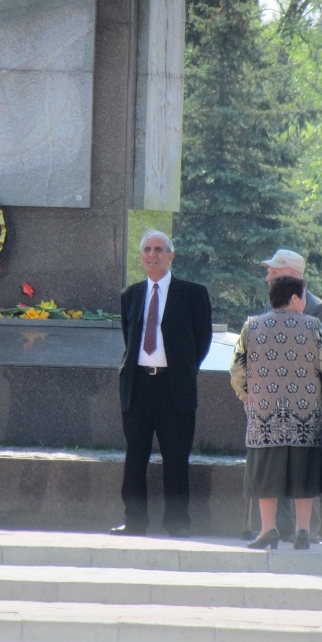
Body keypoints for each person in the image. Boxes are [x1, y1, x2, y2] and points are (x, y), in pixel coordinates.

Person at [110, 230, 213, 538]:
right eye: (146, 250)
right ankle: (135, 520)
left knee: (176, 456)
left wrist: (184, 369)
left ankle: (178, 523)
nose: (152, 255)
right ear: (140, 256)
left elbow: (202, 340)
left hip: (174, 387)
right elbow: (131, 338)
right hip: (138, 386)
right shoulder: (131, 294)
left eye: (158, 249)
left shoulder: (193, 293)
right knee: (135, 456)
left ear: (171, 256)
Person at [231, 275, 322, 550]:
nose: (305, 303)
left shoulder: (251, 326)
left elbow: (236, 371)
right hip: (306, 417)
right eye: (303, 297)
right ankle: (303, 531)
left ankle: (268, 529)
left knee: (264, 475)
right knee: (303, 473)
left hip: (264, 417)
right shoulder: (314, 327)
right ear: (294, 298)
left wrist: (249, 398)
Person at [260, 248, 322, 542]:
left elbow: (320, 358)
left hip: (303, 401)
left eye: (274, 272)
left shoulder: (314, 308)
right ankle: (279, 526)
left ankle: (306, 529)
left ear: (291, 275)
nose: (267, 277)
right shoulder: (272, 302)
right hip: (273, 400)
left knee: (302, 466)